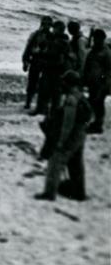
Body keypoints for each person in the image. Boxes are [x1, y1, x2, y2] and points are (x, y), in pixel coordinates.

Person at [36, 70, 91, 201]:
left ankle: (49, 193)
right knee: (76, 164)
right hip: (80, 134)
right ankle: (80, 192)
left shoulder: (71, 99)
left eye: (65, 82)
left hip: (72, 135)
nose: (62, 84)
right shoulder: (80, 96)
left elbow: (67, 123)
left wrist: (61, 141)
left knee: (55, 161)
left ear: (69, 84)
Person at [35, 21, 71, 117]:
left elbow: (60, 58)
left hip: (55, 69)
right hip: (50, 68)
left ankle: (49, 111)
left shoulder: (62, 42)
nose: (53, 30)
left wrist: (45, 60)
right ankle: (43, 110)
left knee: (53, 93)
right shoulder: (54, 39)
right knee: (45, 90)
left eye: (55, 28)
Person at [23, 16, 53, 112]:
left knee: (44, 85)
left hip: (46, 63)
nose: (46, 26)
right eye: (44, 24)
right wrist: (25, 61)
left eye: (48, 24)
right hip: (35, 61)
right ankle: (28, 102)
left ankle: (41, 105)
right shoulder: (35, 35)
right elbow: (28, 48)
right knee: (32, 83)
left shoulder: (52, 37)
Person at [82, 28, 109, 134]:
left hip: (101, 84)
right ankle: (94, 123)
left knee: (98, 103)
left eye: (97, 38)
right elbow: (88, 65)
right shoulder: (94, 50)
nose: (95, 40)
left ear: (102, 39)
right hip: (93, 83)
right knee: (93, 102)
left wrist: (102, 83)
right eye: (94, 38)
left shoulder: (106, 53)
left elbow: (108, 71)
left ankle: (98, 125)